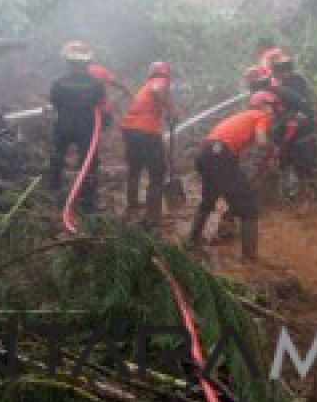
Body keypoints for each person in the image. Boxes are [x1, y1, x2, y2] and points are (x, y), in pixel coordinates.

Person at [186, 91, 278, 260]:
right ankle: (250, 260)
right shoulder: (260, 116)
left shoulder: (244, 116)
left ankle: (191, 241)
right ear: (263, 105)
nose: (273, 110)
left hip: (206, 155)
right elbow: (261, 141)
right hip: (220, 157)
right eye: (271, 106)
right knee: (249, 207)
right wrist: (272, 148)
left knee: (209, 199)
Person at [46, 41, 107, 214]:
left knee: (57, 158)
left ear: (67, 61)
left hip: (63, 126)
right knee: (89, 164)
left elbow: (55, 103)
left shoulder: (57, 83)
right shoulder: (96, 84)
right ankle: (87, 203)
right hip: (86, 129)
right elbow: (101, 106)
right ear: (87, 63)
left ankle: (53, 195)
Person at [120, 61, 177, 229]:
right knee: (157, 174)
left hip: (129, 130)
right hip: (146, 132)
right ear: (165, 73)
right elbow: (158, 90)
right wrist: (171, 110)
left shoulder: (145, 86)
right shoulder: (159, 81)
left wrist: (165, 112)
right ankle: (152, 217)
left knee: (135, 169)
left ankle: (132, 205)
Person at [270, 55, 317, 196]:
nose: (280, 75)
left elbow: (303, 104)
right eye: (278, 73)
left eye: (281, 72)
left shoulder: (297, 82)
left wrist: (279, 90)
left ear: (287, 71)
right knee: (285, 161)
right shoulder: (281, 85)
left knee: (303, 164)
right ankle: (287, 191)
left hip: (302, 129)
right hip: (288, 127)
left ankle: (306, 197)